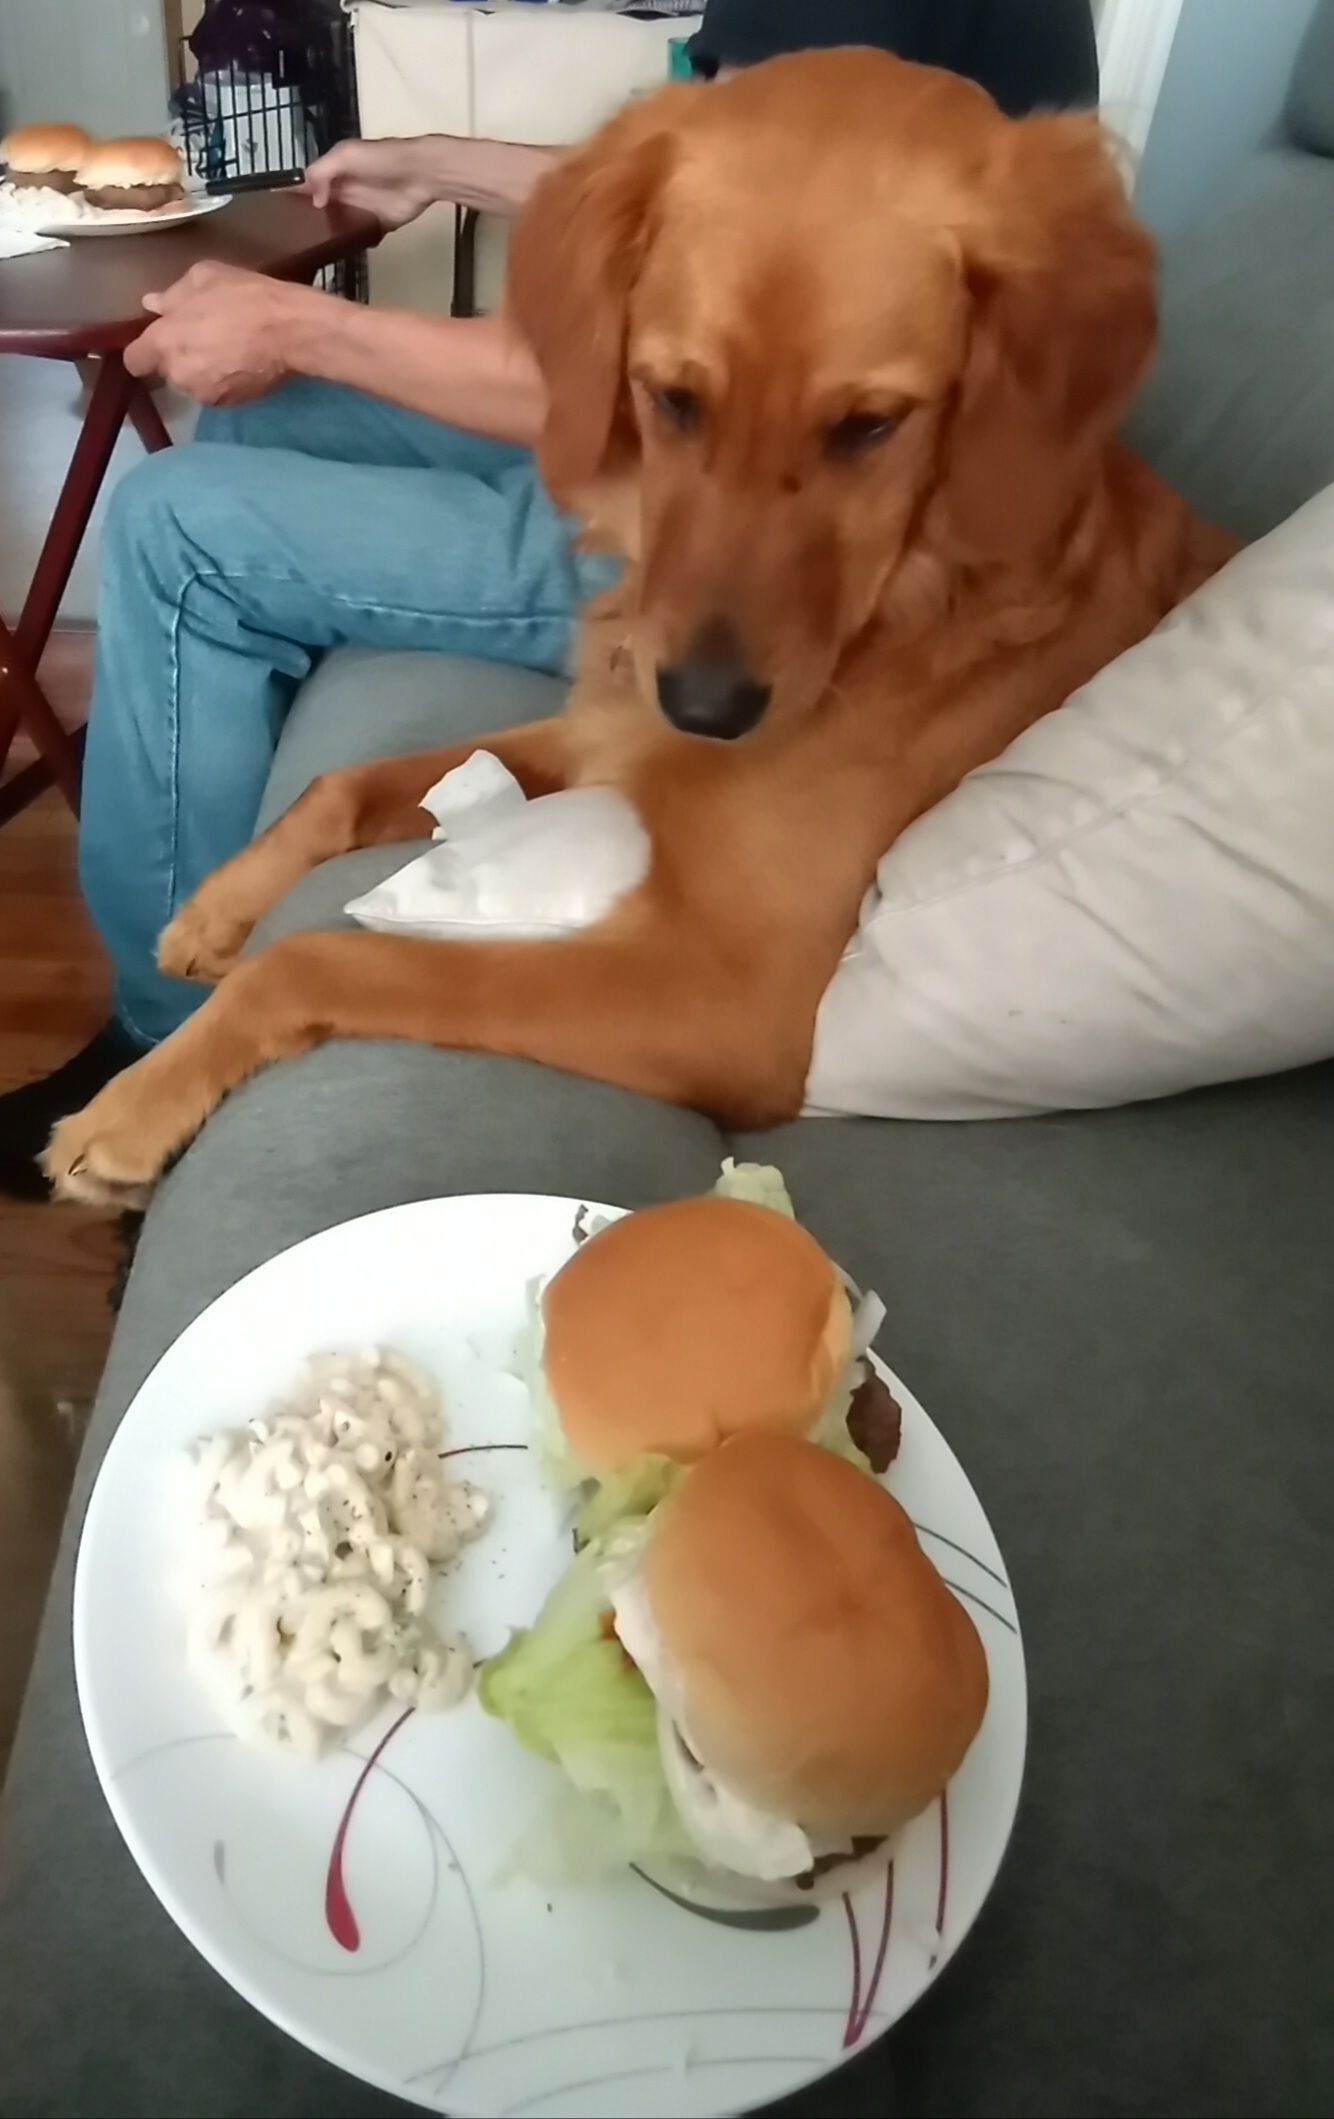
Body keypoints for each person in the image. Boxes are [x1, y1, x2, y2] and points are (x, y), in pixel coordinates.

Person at [0, 0, 1097, 1196]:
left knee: (177, 526)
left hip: (670, 493)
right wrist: (443, 164)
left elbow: (694, 344)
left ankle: (158, 1041)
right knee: (269, 410)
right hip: (695, 441)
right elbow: (725, 191)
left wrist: (301, 321)